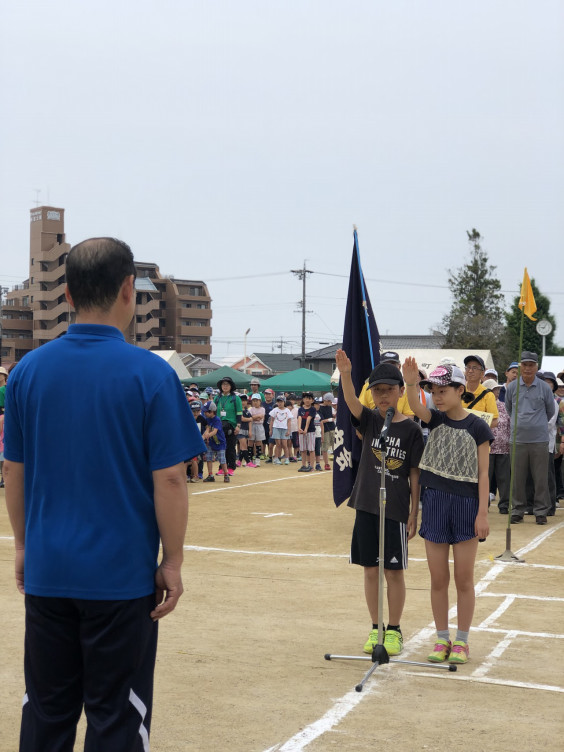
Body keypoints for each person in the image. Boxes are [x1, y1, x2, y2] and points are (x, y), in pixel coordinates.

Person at [3, 237, 205, 750]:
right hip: (119, 579)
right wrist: (173, 560)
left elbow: (14, 470)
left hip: (50, 571)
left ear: (66, 294)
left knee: (47, 711)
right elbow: (171, 478)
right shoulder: (152, 375)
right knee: (116, 716)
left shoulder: (26, 372)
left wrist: (23, 547)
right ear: (127, 292)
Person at [402, 358, 493, 665]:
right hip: (436, 501)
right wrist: (411, 381)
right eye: (433, 391)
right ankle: (442, 638)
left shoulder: (478, 427)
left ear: (459, 390)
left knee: (464, 578)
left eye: (443, 391)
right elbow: (414, 405)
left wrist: (483, 513)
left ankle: (462, 641)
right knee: (438, 578)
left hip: (468, 505)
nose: (437, 397)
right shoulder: (434, 420)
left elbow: (484, 474)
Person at [336, 350, 424, 656]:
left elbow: (414, 473)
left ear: (400, 391)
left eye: (389, 390)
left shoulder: (411, 429)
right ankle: (376, 628)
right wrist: (346, 375)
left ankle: (394, 630)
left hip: (396, 508)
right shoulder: (372, 420)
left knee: (393, 571)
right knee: (370, 569)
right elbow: (350, 403)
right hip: (366, 504)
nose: (383, 396)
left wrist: (415, 512)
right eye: (377, 391)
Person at [505, 351, 555, 525]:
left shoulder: (544, 388)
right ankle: (518, 510)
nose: (527, 368)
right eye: (524, 364)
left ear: (536, 367)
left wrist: (536, 424)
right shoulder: (512, 387)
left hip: (539, 440)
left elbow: (551, 411)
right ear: (520, 367)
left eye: (531, 365)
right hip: (517, 439)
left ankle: (541, 511)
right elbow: (508, 409)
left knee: (540, 478)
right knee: (517, 478)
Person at [482, 379, 511, 514]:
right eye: (493, 390)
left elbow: (510, 425)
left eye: (497, 389)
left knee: (504, 478)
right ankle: (483, 504)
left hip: (503, 447)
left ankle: (504, 505)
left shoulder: (505, 407)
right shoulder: (482, 406)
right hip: (486, 448)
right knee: (485, 478)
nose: (496, 392)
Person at [214, 376, 242, 475]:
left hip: (231, 425)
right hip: (219, 426)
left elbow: (239, 413)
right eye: (223, 384)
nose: (225, 386)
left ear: (231, 386)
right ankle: (222, 467)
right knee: (221, 448)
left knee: (230, 447)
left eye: (227, 384)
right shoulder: (217, 398)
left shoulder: (236, 398)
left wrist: (238, 426)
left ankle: (231, 467)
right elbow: (213, 413)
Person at [462, 355, 499, 428]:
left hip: (477, 437)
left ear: (482, 373)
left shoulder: (488, 395)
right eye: (468, 367)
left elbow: (494, 422)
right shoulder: (458, 391)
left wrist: (476, 428)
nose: (470, 371)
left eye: (474, 368)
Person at [201, 401, 229, 482]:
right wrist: (203, 436)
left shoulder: (217, 419)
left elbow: (215, 431)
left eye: (206, 411)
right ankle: (210, 475)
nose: (205, 413)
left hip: (220, 443)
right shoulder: (208, 419)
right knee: (209, 458)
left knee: (222, 459)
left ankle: (226, 474)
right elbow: (208, 428)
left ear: (212, 411)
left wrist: (207, 435)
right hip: (211, 442)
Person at [269, 395, 292, 464]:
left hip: (284, 428)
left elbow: (289, 421)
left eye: (281, 402)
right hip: (276, 428)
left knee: (285, 444)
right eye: (278, 402)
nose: (280, 403)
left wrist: (288, 430)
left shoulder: (287, 410)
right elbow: (272, 420)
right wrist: (271, 430)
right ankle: (276, 458)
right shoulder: (275, 410)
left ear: (284, 402)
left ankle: (287, 458)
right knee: (278, 444)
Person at [297, 392, 316, 472]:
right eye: (305, 398)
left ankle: (311, 466)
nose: (307, 400)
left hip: (310, 431)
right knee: (303, 449)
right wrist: (299, 428)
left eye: (309, 399)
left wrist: (305, 429)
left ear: (312, 400)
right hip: (302, 432)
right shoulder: (300, 409)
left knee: (311, 449)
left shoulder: (313, 409)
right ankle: (303, 465)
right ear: (303, 400)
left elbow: (309, 418)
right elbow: (299, 418)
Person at [319, 392, 336, 470]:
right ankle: (326, 463)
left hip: (332, 428)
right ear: (325, 400)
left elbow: (331, 416)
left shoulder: (330, 407)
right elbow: (321, 420)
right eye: (329, 401)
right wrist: (329, 419)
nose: (330, 403)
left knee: (335, 446)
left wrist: (333, 416)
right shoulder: (319, 408)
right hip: (325, 429)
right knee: (325, 448)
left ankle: (336, 462)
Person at [249, 395, 266, 466]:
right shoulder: (250, 409)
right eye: (254, 401)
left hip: (259, 426)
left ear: (260, 401)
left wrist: (254, 417)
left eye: (257, 401)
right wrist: (256, 417)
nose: (255, 402)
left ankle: (257, 459)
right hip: (252, 425)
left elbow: (261, 417)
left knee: (259, 442)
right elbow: (250, 418)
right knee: (250, 442)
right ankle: (249, 459)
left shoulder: (262, 409)